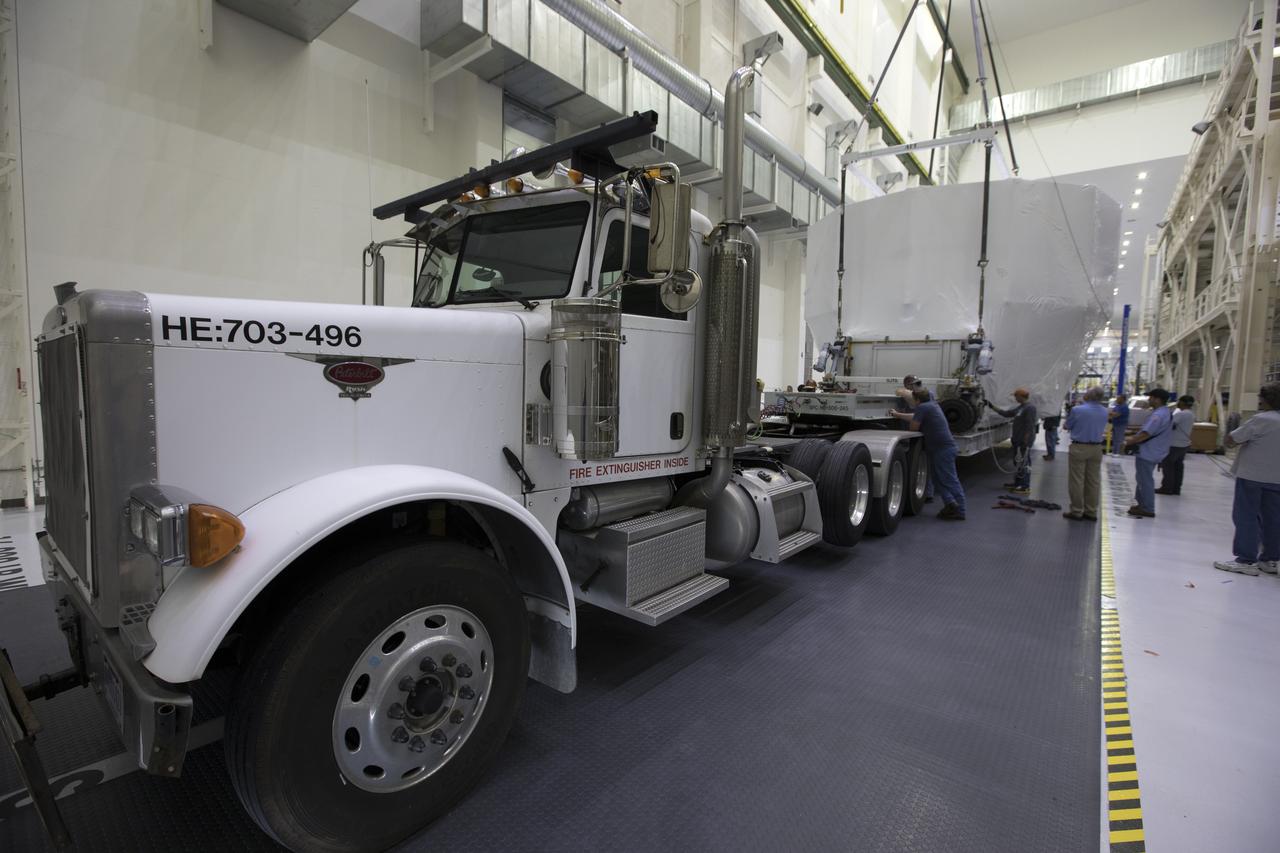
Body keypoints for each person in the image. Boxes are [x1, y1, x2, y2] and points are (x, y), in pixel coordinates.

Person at [1214, 382, 1280, 575]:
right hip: (1277, 480)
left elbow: (1231, 440)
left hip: (1252, 476)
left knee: (1246, 517)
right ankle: (1270, 559)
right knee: (1273, 519)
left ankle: (1246, 560)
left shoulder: (1262, 419)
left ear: (1265, 399)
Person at [890, 387, 965, 520]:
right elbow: (916, 417)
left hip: (943, 450)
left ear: (917, 399)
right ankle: (951, 504)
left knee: (949, 479)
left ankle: (960, 509)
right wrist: (898, 415)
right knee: (937, 478)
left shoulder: (922, 408)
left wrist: (901, 417)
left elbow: (914, 427)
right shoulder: (932, 405)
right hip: (941, 448)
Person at [1123, 388, 1173, 518]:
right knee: (1142, 478)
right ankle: (1142, 504)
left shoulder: (1158, 415)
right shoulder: (1165, 412)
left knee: (1145, 480)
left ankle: (1148, 507)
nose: (1149, 400)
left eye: (1150, 397)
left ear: (1157, 399)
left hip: (1149, 451)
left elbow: (1146, 433)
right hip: (1155, 450)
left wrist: (1130, 441)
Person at [1062, 386, 1108, 520]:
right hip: (1097, 448)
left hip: (1080, 447)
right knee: (1093, 481)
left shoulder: (1077, 410)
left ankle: (1077, 511)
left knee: (1077, 480)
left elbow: (1067, 426)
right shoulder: (1105, 411)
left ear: (1089, 395)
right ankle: (1091, 511)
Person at [988, 388, 1037, 494]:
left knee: (1024, 462)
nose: (1015, 398)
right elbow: (1007, 414)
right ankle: (1018, 483)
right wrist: (992, 407)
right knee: (1018, 461)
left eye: (1016, 396)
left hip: (1023, 441)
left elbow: (1030, 425)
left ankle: (1025, 486)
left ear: (1021, 396)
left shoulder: (1030, 408)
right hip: (1017, 439)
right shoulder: (1021, 407)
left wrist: (1026, 440)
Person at [1156, 395, 1195, 495]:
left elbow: (1170, 426)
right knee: (1178, 467)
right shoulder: (1191, 414)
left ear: (1182, 403)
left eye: (1179, 401)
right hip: (1184, 444)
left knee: (1168, 466)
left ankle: (1167, 488)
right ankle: (1176, 488)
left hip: (1174, 444)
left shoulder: (1181, 414)